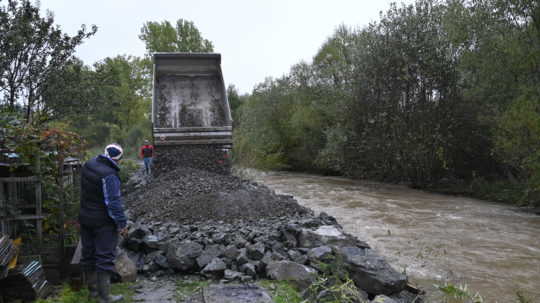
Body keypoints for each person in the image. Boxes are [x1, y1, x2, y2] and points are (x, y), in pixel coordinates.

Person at [79, 143, 127, 303]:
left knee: (89, 253)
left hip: (85, 216)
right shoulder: (110, 175)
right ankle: (105, 297)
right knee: (104, 256)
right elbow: (113, 202)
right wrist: (121, 223)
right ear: (118, 159)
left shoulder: (88, 164)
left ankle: (92, 292)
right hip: (102, 221)